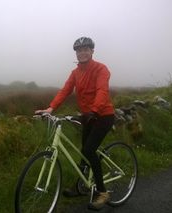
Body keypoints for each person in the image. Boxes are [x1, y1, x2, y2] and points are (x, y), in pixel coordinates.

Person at [35, 37, 115, 210]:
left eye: (86, 49)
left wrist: (94, 111)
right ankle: (81, 186)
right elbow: (65, 90)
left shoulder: (101, 69)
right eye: (79, 50)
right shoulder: (75, 73)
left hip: (103, 116)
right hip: (88, 116)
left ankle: (102, 192)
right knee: (84, 151)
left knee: (88, 150)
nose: (82, 53)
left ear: (92, 51)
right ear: (76, 53)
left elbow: (102, 90)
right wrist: (51, 108)